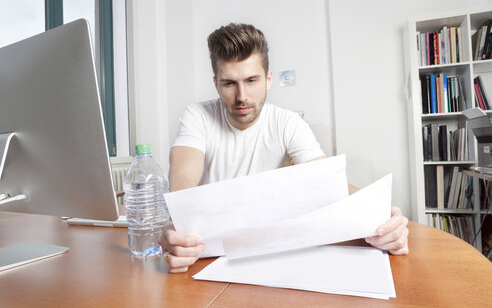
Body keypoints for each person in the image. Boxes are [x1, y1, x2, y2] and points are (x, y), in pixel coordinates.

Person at [159, 23, 409, 273]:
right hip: (205, 254)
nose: (242, 96)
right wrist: (177, 226)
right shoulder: (197, 116)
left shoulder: (287, 123)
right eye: (229, 83)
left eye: (251, 80)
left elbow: (327, 181)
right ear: (216, 84)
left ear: (268, 79)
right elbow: (183, 180)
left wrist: (379, 213)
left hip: (265, 254)